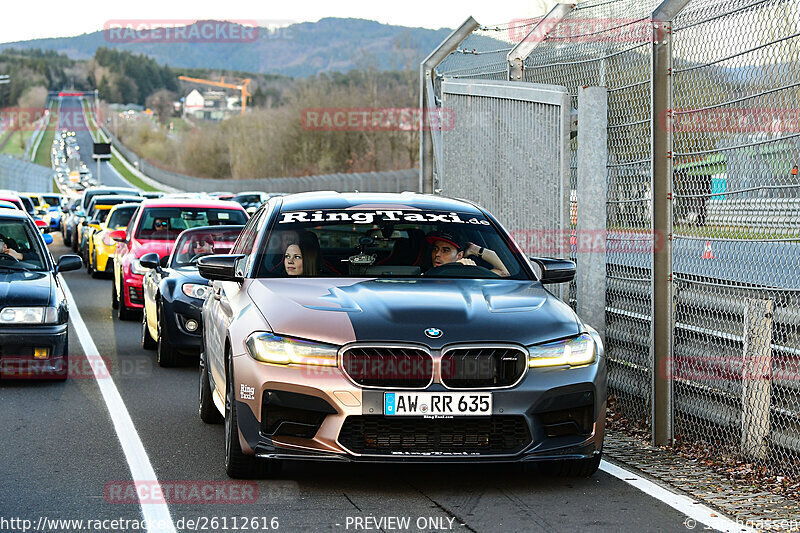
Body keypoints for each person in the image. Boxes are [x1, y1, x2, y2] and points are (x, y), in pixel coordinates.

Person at [425, 230, 509, 277]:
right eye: (435, 249)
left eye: (446, 250)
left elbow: (504, 272)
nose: (437, 254)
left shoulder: (469, 275)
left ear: (459, 255)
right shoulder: (420, 276)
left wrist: (475, 250)